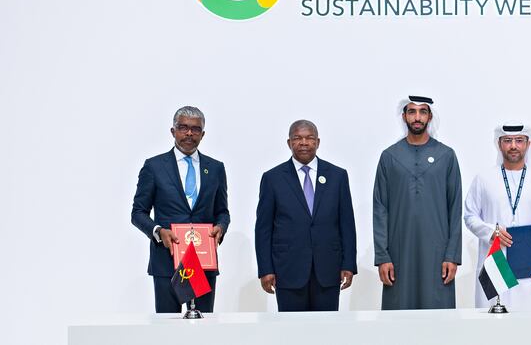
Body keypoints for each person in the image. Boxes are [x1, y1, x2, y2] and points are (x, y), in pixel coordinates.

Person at [131, 106, 230, 313]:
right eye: (183, 127)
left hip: (204, 261)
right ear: (173, 131)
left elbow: (223, 211)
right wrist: (158, 231)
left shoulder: (215, 168)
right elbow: (138, 212)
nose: (189, 133)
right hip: (167, 260)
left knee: (204, 327)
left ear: (202, 134)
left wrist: (220, 227)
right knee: (167, 330)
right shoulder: (154, 166)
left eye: (195, 129)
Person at [255, 120, 357, 311]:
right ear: (289, 143)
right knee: (291, 332)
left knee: (326, 332)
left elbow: (347, 224)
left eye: (309, 138)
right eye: (298, 138)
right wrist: (266, 269)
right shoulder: (272, 178)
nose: (304, 143)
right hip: (288, 270)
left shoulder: (337, 176)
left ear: (317, 142)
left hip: (328, 269)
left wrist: (349, 264)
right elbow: (263, 228)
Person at [373, 95, 462, 310]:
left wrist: (452, 256)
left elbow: (455, 207)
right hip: (399, 254)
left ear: (430, 116)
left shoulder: (446, 156)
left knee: (438, 318)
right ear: (404, 116)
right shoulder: (389, 157)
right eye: (412, 111)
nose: (417, 117)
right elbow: (380, 208)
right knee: (399, 318)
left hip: (438, 254)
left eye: (422, 112)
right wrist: (382, 256)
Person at [464, 123, 531, 309]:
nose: (513, 146)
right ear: (499, 144)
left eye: (519, 140)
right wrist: (491, 231)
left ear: (528, 144)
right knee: (494, 329)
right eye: (507, 141)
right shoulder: (484, 179)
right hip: (495, 264)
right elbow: (469, 216)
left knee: (530, 329)